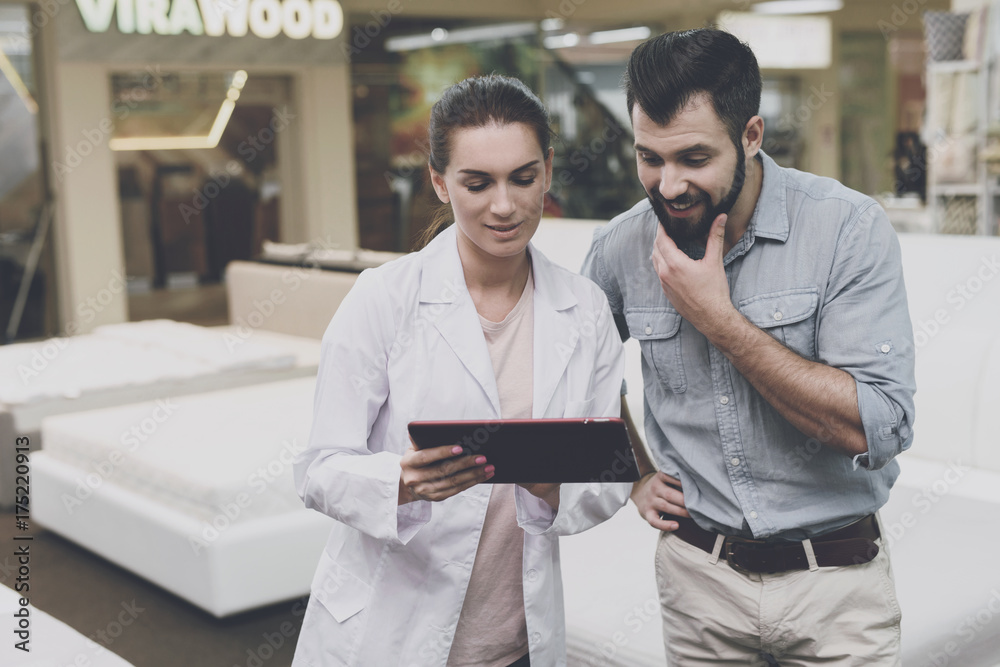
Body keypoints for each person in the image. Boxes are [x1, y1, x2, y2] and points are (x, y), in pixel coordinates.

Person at [582, 29, 916, 665]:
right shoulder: (621, 246)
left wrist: (720, 320)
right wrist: (630, 472)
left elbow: (878, 424)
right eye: (649, 157)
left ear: (752, 136)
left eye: (694, 158)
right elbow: (575, 373)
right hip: (698, 583)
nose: (669, 184)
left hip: (837, 589)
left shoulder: (846, 228)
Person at [292, 74, 630, 667]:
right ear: (439, 182)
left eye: (523, 178)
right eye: (478, 183)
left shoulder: (584, 309)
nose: (505, 205)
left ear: (547, 170)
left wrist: (550, 483)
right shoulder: (384, 299)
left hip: (514, 642)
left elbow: (607, 475)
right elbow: (318, 469)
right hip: (388, 634)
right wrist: (401, 482)